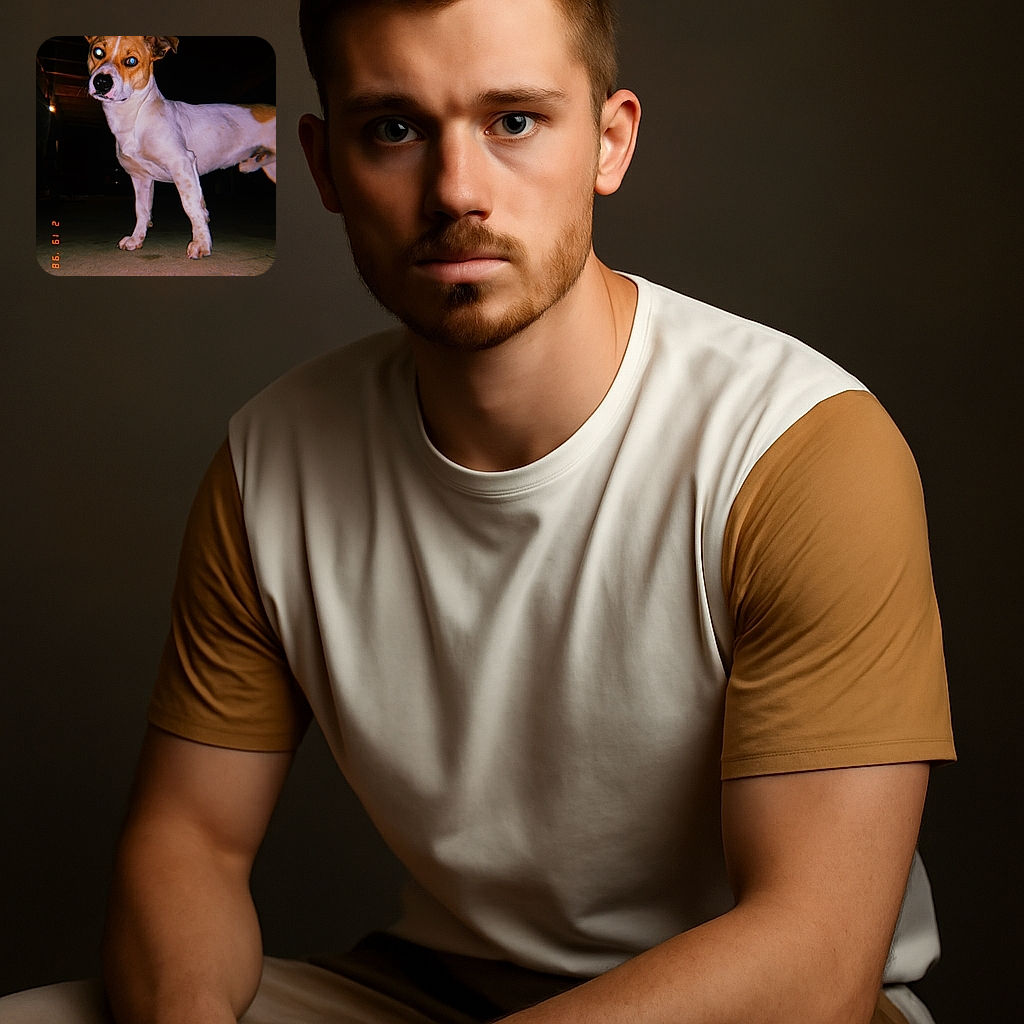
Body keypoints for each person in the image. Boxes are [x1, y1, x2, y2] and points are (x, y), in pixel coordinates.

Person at [1, 1, 955, 1022]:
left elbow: (813, 960)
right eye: (395, 129)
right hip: (429, 992)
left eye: (513, 122)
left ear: (609, 139)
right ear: (321, 166)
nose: (455, 191)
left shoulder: (796, 448)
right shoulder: (269, 461)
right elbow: (191, 841)